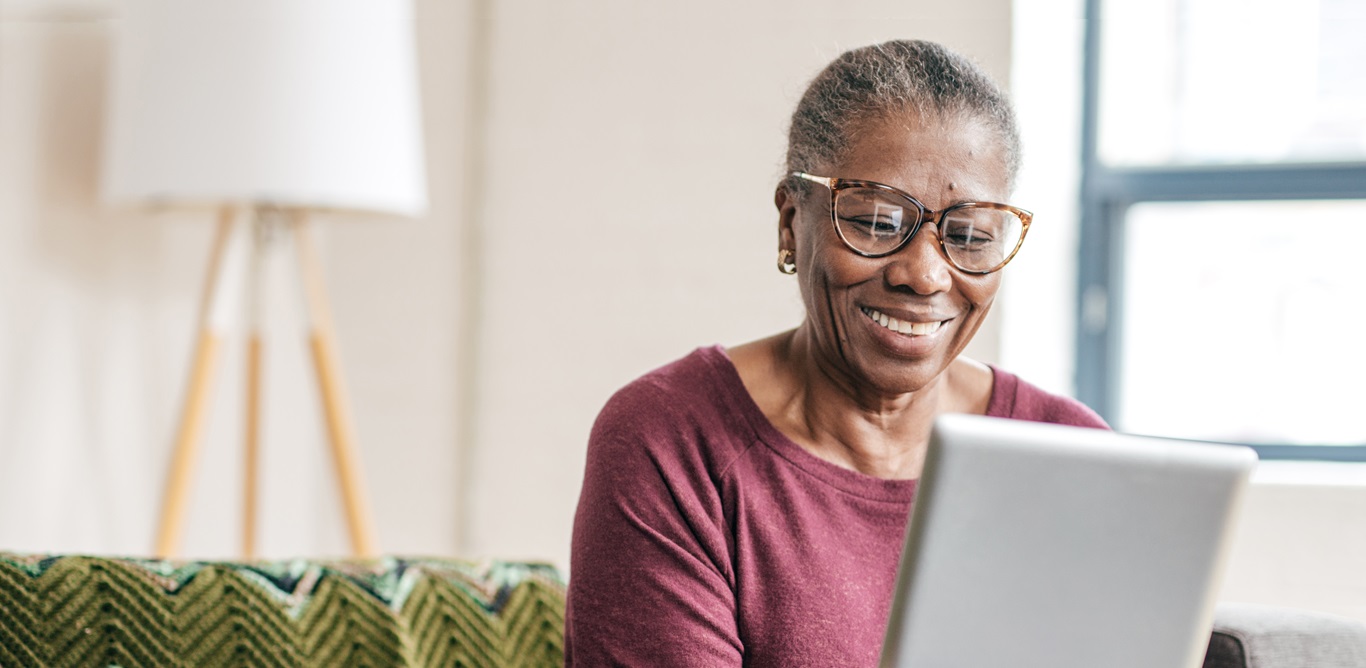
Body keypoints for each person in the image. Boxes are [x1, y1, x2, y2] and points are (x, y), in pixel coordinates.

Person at [564, 39, 1107, 666]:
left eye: (969, 235)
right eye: (876, 222)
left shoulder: (1072, 455)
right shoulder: (673, 443)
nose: (925, 275)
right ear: (792, 220)